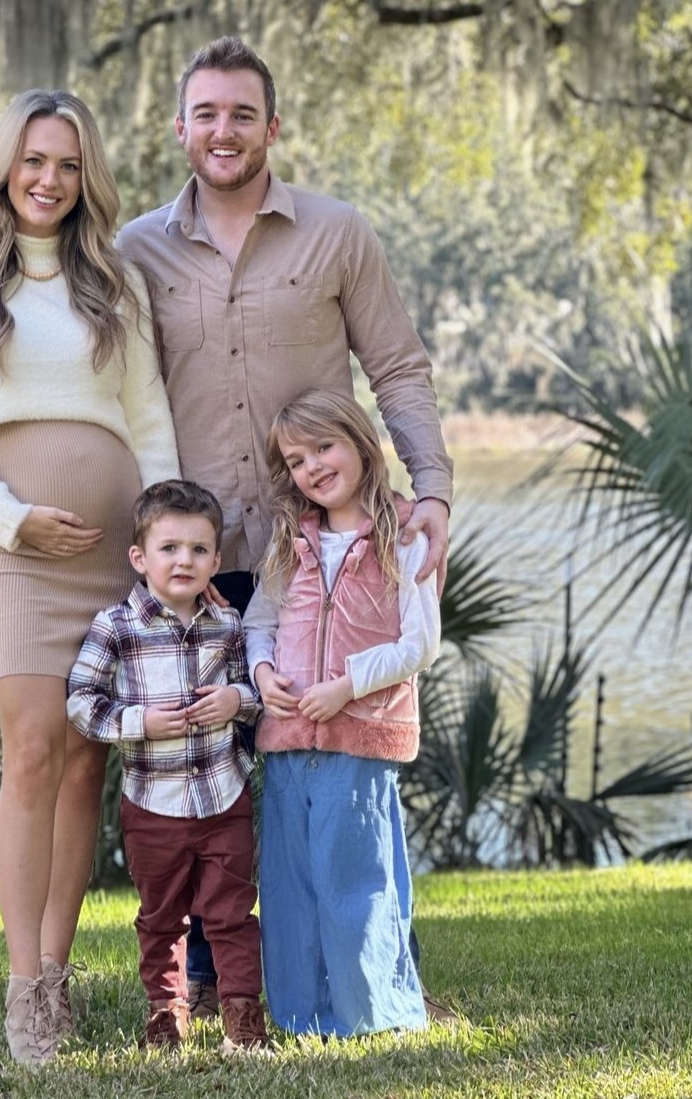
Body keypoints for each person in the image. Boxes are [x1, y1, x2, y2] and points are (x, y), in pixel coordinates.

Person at [116, 35, 455, 1020]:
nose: (223, 131)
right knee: (206, 771)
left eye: (242, 113)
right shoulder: (135, 250)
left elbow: (397, 368)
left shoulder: (337, 233)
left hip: (323, 552)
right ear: (179, 127)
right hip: (198, 560)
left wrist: (431, 487)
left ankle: (368, 962)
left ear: (272, 126)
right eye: (206, 113)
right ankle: (216, 978)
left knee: (341, 758)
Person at [0, 89, 180, 1065]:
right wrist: (12, 516)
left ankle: (59, 972)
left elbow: (148, 416)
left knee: (84, 760)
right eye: (33, 160)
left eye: (67, 164)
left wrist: (161, 543)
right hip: (10, 549)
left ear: (85, 177)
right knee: (30, 748)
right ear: (4, 165)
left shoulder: (115, 279)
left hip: (111, 553)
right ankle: (23, 986)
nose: (49, 180)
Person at [243, 387, 441, 1036]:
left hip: (359, 736)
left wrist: (346, 687)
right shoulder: (290, 540)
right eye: (296, 460)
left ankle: (371, 1012)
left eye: (323, 447)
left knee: (354, 879)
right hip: (288, 737)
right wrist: (263, 673)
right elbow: (260, 623)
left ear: (359, 442)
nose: (313, 468)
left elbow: (419, 644)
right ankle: (302, 1017)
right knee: (291, 883)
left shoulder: (403, 535)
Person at [66, 480, 269, 1054]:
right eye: (170, 548)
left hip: (224, 797)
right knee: (161, 917)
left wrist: (235, 701)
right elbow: (80, 701)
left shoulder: (227, 625)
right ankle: (166, 1013)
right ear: (140, 558)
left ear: (216, 561)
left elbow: (253, 691)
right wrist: (140, 723)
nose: (185, 560)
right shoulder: (117, 627)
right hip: (153, 806)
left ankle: (242, 1020)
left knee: (232, 912)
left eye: (199, 550)